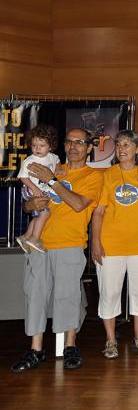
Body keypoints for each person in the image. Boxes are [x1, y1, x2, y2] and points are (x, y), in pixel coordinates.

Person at [11, 128, 103, 372]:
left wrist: (52, 180)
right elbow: (28, 204)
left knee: (67, 296)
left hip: (70, 243)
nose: (73, 147)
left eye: (79, 142)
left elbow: (78, 204)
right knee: (35, 295)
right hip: (39, 243)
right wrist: (31, 203)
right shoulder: (50, 164)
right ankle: (36, 349)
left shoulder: (92, 176)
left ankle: (70, 346)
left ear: (89, 148)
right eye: (69, 142)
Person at [91, 130, 138, 359]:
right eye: (119, 144)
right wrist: (95, 242)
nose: (121, 149)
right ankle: (111, 340)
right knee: (109, 293)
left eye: (127, 144)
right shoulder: (107, 175)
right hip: (110, 246)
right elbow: (98, 212)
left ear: (137, 148)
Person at [16, 124, 62, 253]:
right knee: (45, 213)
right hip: (30, 190)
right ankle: (35, 238)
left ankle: (25, 237)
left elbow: (57, 161)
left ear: (50, 146)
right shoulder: (29, 160)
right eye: (34, 145)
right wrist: (34, 188)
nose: (37, 148)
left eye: (42, 146)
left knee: (39, 217)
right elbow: (23, 177)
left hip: (42, 190)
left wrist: (59, 169)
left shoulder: (52, 156)